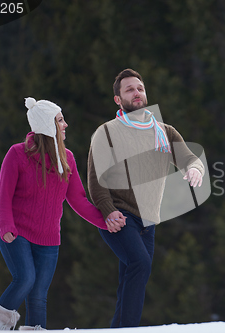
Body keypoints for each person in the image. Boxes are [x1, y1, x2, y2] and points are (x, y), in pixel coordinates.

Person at [0, 97, 124, 331]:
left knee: (39, 294)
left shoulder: (66, 158)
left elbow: (78, 199)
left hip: (48, 238)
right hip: (16, 232)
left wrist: (105, 220)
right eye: (60, 120)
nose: (65, 124)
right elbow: (3, 196)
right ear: (47, 125)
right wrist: (6, 225)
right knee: (26, 278)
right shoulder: (17, 154)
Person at [87, 68, 204, 327]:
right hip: (119, 215)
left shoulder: (164, 131)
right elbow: (96, 181)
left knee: (133, 274)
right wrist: (108, 211)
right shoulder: (106, 133)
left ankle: (119, 329)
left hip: (148, 221)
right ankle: (128, 330)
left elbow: (188, 158)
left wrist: (195, 168)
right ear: (118, 99)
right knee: (140, 264)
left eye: (139, 88)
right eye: (129, 89)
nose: (136, 93)